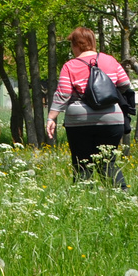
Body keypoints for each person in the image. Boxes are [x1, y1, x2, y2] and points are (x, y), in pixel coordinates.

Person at [46, 27, 130, 187]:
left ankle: (83, 202)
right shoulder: (110, 60)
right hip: (111, 119)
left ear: (77, 45)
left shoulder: (70, 66)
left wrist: (51, 117)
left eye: (72, 45)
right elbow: (125, 83)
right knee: (108, 163)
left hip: (79, 121)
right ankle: (121, 198)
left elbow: (63, 93)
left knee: (82, 164)